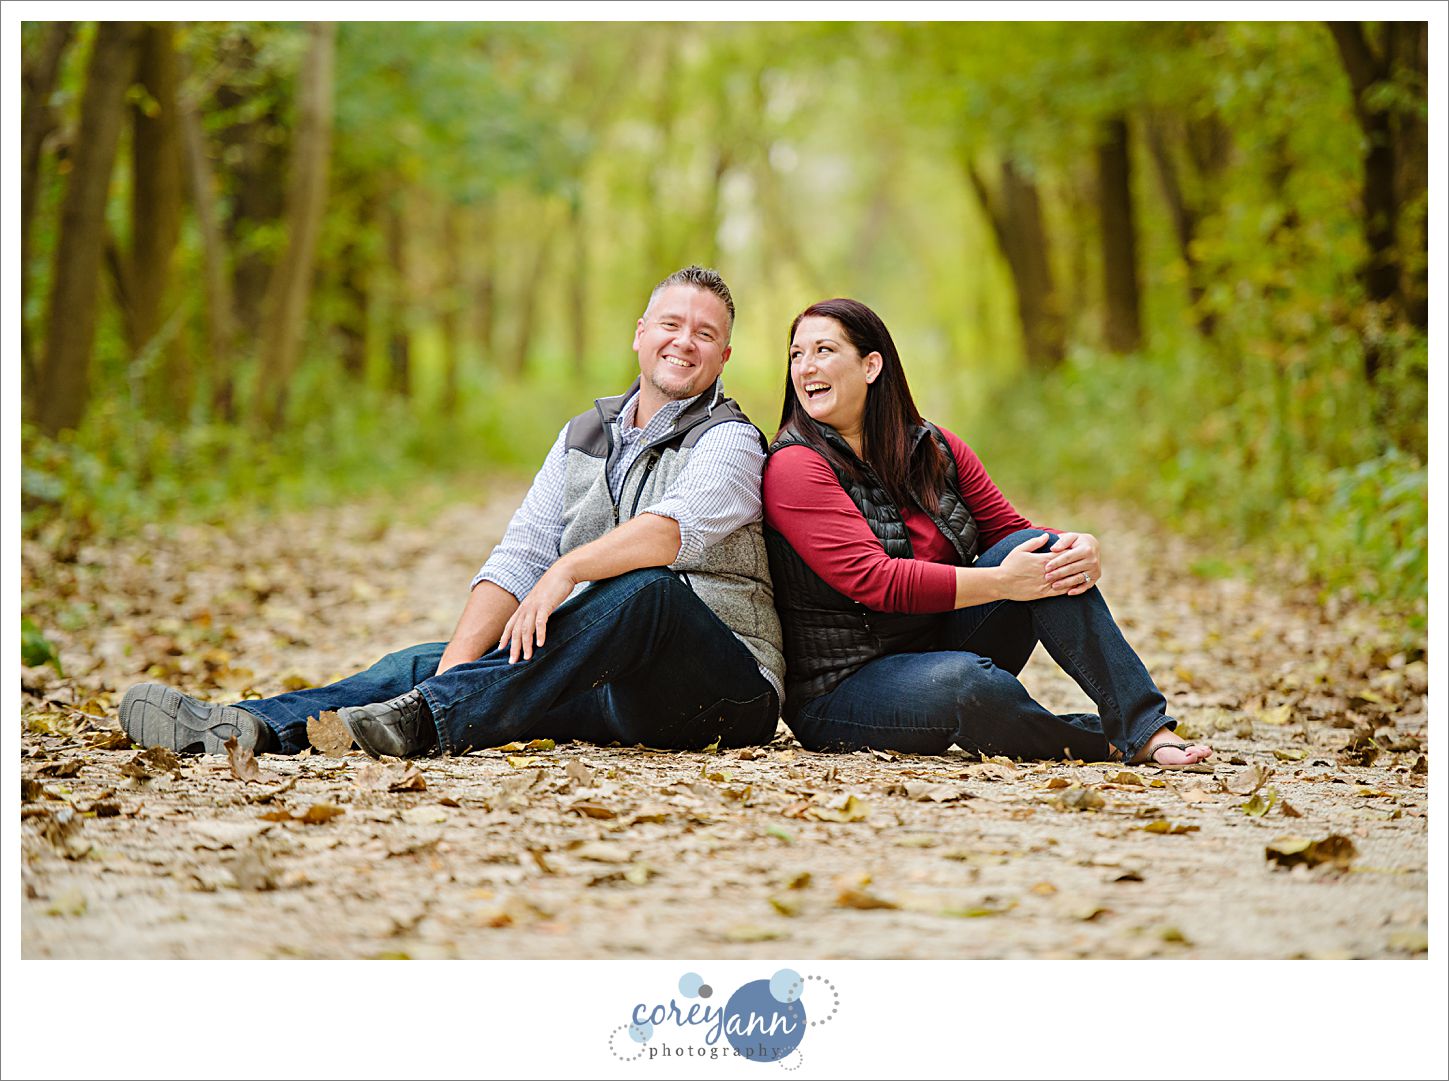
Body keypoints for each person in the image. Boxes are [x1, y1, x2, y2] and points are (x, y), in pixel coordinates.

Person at [121, 266, 785, 759]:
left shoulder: (730, 440)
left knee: (648, 592)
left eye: (705, 334)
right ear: (640, 334)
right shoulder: (584, 432)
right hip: (614, 687)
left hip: (721, 691)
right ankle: (244, 725)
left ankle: (427, 720)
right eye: (671, 324)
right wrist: (458, 670)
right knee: (425, 663)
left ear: (722, 357)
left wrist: (567, 573)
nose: (684, 341)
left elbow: (671, 532)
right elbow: (523, 552)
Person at [762, 297, 1212, 768]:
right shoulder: (795, 466)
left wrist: (1079, 545)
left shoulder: (934, 447)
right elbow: (875, 580)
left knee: (1046, 552)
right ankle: (1101, 741)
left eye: (823, 351)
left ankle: (1143, 726)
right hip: (845, 686)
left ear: (871, 365)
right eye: (796, 354)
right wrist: (1003, 583)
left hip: (939, 643)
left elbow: (1013, 533)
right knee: (969, 684)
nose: (805, 367)